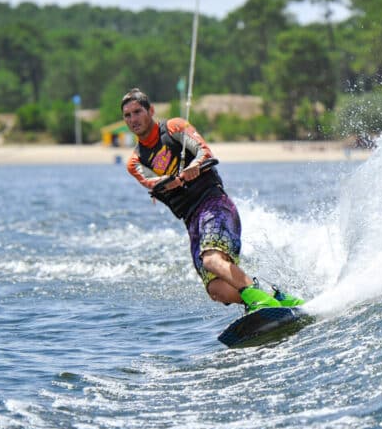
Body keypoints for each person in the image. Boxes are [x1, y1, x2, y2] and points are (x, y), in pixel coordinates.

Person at [120, 88, 303, 312]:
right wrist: (170, 181)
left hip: (214, 206)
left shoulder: (174, 127)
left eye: (137, 112)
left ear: (151, 111)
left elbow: (204, 152)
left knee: (212, 260)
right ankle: (276, 297)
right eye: (127, 115)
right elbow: (151, 182)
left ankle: (260, 301)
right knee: (216, 289)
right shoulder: (135, 161)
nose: (133, 119)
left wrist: (194, 166)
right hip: (192, 222)